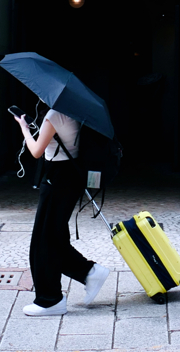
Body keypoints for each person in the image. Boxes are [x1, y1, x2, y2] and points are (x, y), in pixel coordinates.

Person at [14, 105, 110, 317]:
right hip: (70, 176)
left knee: (43, 241)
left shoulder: (54, 115)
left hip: (57, 179)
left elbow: (36, 151)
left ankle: (51, 300)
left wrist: (24, 129)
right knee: (53, 238)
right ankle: (90, 273)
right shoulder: (73, 110)